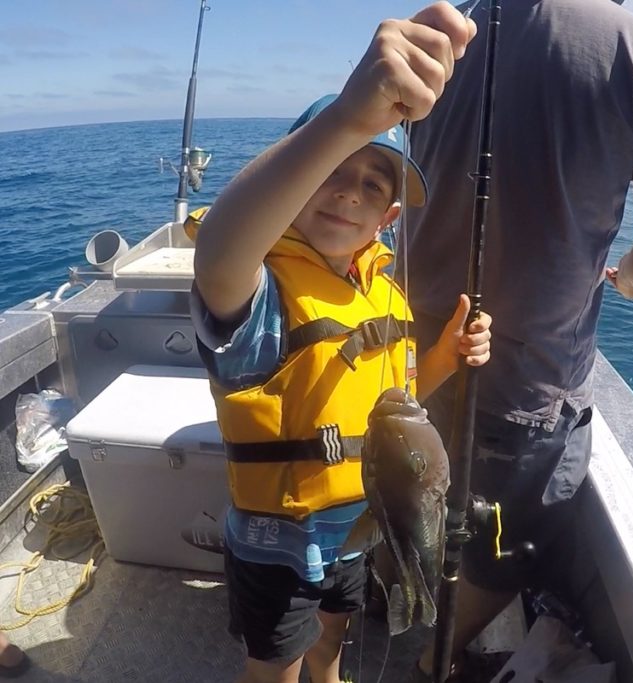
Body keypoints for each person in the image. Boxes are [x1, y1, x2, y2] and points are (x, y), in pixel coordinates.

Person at [403, 0, 633, 676]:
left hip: (412, 360)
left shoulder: (449, 26)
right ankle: (433, 659)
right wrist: (632, 280)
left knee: (417, 495)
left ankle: (395, 596)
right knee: (515, 547)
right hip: (526, 385)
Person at [189, 5, 483, 683]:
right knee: (277, 663)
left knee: (332, 639)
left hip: (360, 520)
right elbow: (220, 254)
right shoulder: (262, 295)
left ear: (386, 220)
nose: (348, 193)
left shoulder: (385, 295)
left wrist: (448, 353)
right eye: (331, 171)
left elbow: (398, 403)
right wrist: (350, 119)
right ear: (293, 178)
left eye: (372, 185)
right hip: (277, 544)